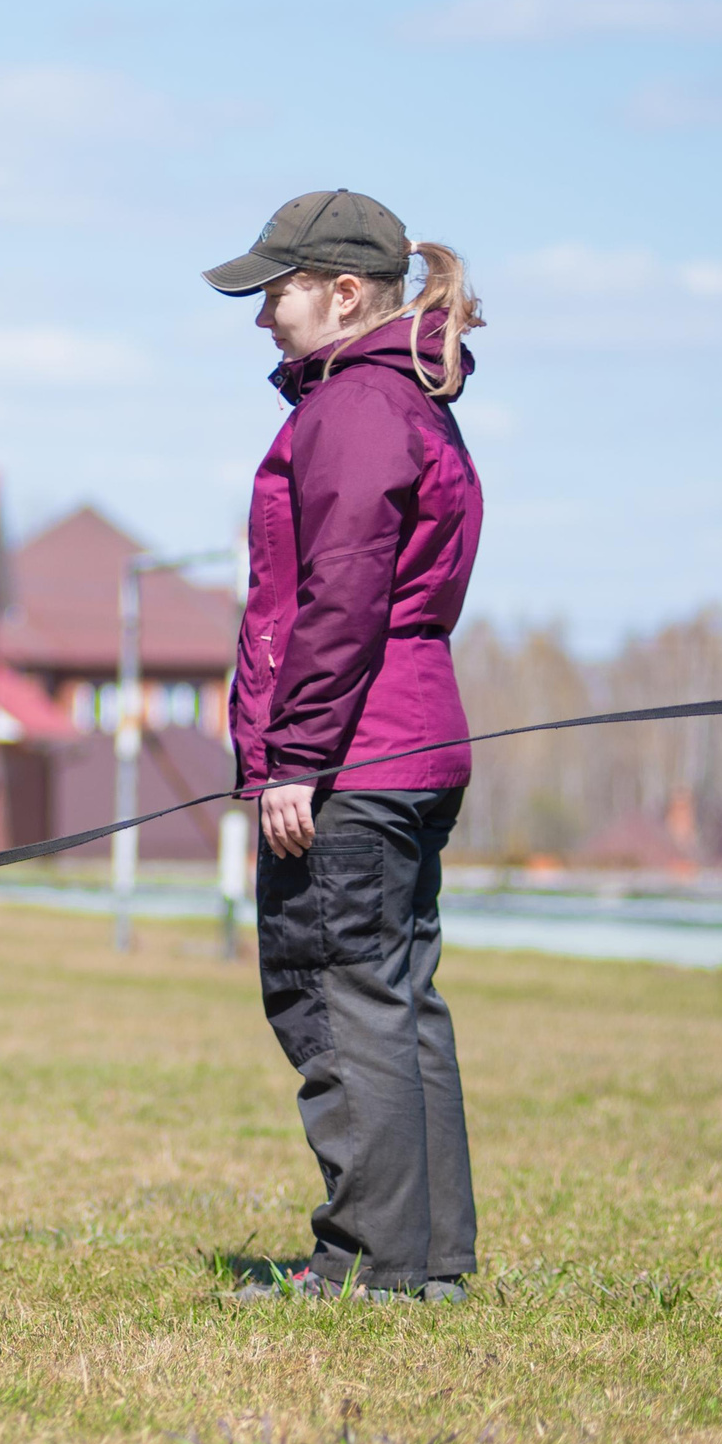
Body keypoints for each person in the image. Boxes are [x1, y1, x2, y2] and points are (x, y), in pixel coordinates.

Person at [204, 189, 485, 1303]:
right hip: (408, 741)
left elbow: (342, 595)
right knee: (395, 997)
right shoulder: (404, 397)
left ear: (343, 293)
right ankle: (426, 1264)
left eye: (274, 292)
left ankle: (368, 1259)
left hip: (356, 753)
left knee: (333, 994)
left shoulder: (357, 409)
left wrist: (295, 756)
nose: (262, 316)